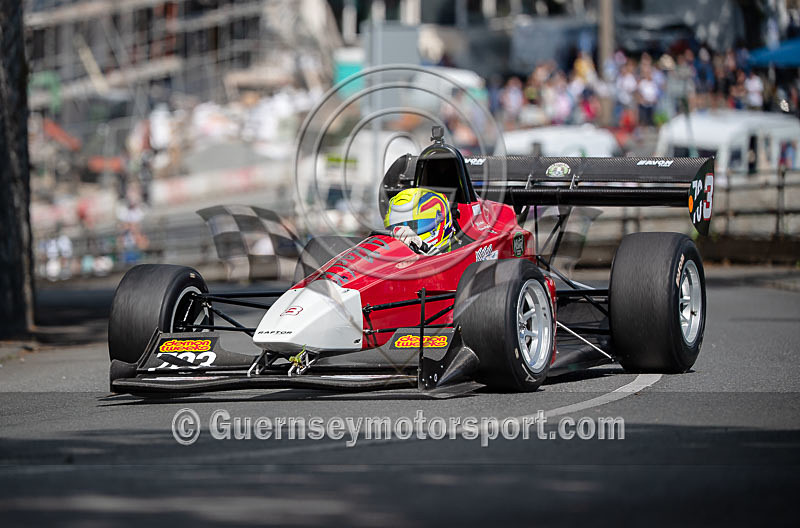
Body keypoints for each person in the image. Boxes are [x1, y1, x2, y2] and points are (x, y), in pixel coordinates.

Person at [383, 188, 454, 255]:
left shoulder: (461, 258)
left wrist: (423, 245)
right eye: (397, 225)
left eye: (414, 225)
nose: (403, 233)